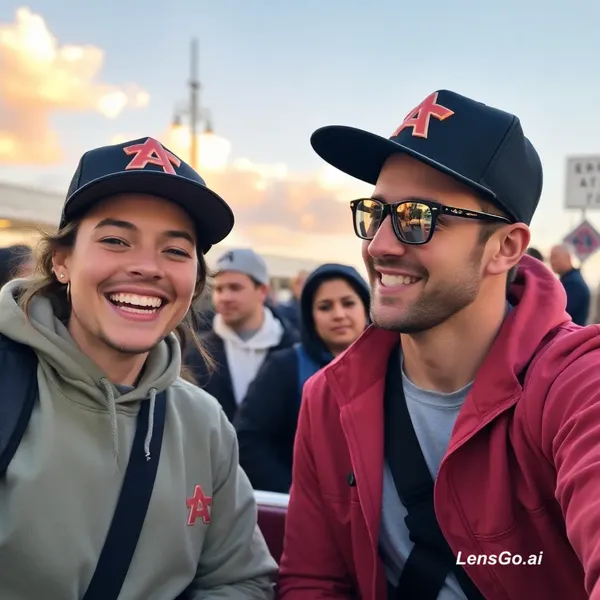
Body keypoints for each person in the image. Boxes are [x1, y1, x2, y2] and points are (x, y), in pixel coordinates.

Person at [278, 89, 600, 600]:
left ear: (505, 247)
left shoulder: (578, 386)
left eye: (418, 218)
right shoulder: (330, 398)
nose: (378, 245)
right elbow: (314, 582)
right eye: (375, 213)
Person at [0, 137, 277, 599]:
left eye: (176, 250)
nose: (148, 267)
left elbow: (241, 580)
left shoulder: (205, 424)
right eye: (115, 240)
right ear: (62, 261)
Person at [235, 263, 370, 492]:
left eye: (348, 303)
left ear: (366, 308)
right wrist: (296, 492)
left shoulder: (394, 365)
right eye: (325, 307)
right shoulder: (284, 367)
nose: (339, 315)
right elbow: (249, 441)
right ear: (310, 316)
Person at [187, 248, 297, 422]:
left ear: (262, 291)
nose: (224, 297)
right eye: (219, 289)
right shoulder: (197, 352)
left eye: (235, 288)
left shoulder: (294, 350)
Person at [549, 243, 591, 325]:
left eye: (555, 257)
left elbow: (561, 314)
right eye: (550, 258)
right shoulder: (570, 279)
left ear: (568, 257)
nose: (552, 261)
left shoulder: (573, 283)